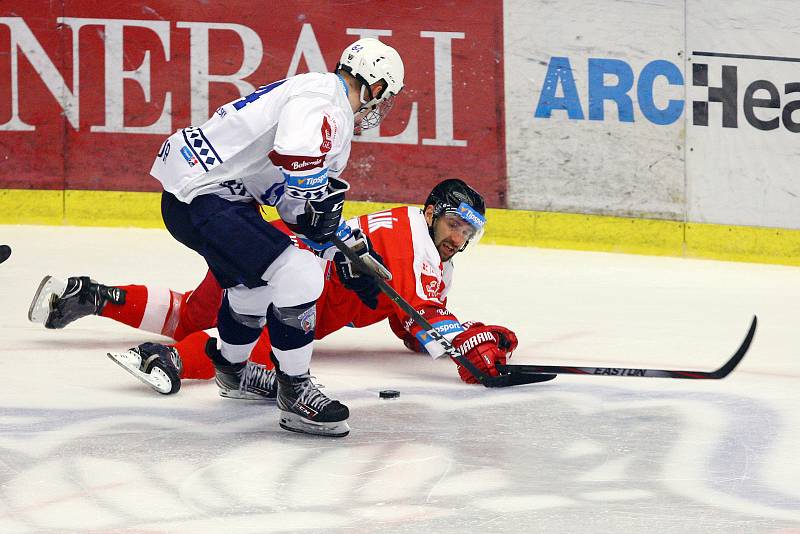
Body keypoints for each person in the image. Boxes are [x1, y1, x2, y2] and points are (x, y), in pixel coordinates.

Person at [40, 37, 404, 438]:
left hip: (208, 195)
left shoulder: (318, 97)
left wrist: (348, 249)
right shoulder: (324, 98)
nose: (381, 105)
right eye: (385, 94)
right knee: (299, 275)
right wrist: (321, 215)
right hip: (204, 196)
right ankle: (295, 392)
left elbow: (289, 201)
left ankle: (233, 375)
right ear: (374, 85)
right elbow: (298, 162)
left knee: (252, 290)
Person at [29, 179, 520, 395]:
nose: (459, 238)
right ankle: (166, 360)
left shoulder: (422, 248)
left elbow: (410, 321)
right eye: (455, 225)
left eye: (468, 232)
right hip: (285, 282)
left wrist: (453, 337)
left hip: (264, 252)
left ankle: (96, 296)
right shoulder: (413, 242)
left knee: (193, 315)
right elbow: (427, 315)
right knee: (253, 349)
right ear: (432, 213)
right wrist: (471, 341)